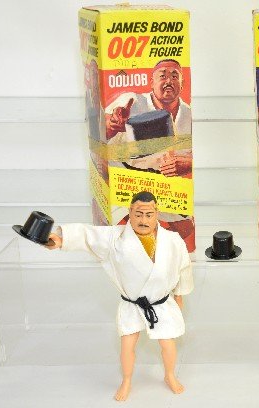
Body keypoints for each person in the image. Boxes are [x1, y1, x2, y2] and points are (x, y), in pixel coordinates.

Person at [47, 191, 194, 401]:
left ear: (157, 213)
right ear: (130, 212)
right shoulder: (115, 238)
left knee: (167, 343)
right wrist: (61, 240)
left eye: (149, 214)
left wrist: (179, 295)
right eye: (138, 214)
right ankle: (126, 380)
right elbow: (88, 236)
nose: (143, 220)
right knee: (127, 346)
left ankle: (170, 375)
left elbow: (183, 268)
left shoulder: (172, 240)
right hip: (132, 304)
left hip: (160, 303)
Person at [104, 59, 194, 251]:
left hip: (162, 182)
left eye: (174, 76)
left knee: (186, 230)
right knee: (123, 233)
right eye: (162, 76)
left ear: (182, 83)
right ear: (151, 83)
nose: (168, 80)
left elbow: (199, 156)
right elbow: (101, 130)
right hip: (126, 180)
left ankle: (159, 254)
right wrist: (112, 124)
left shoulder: (190, 115)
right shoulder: (132, 101)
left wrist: (188, 164)